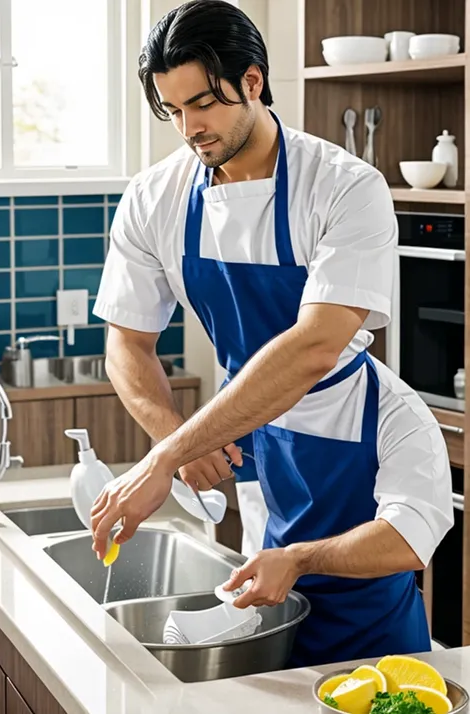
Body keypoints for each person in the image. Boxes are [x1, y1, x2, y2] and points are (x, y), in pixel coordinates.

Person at [91, 0, 453, 666]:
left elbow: (315, 347)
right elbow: (126, 340)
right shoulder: (156, 197)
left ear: (253, 81)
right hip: (252, 451)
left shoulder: (344, 188)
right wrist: (174, 434)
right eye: (172, 110)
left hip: (375, 629)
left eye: (203, 103)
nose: (189, 127)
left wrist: (167, 456)